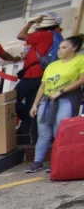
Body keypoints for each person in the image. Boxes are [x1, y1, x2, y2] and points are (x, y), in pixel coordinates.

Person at [26, 34, 84, 174]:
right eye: (59, 47)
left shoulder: (80, 60)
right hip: (47, 100)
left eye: (64, 47)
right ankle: (37, 161)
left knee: (61, 132)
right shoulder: (52, 65)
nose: (59, 50)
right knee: (43, 133)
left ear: (74, 47)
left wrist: (61, 91)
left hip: (66, 99)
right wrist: (35, 104)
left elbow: (81, 80)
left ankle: (59, 162)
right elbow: (42, 87)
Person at [17, 13, 64, 143]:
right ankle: (29, 131)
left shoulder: (43, 35)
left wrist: (30, 22)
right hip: (41, 75)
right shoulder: (55, 36)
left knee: (12, 100)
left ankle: (26, 124)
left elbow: (20, 35)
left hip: (32, 74)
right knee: (32, 104)